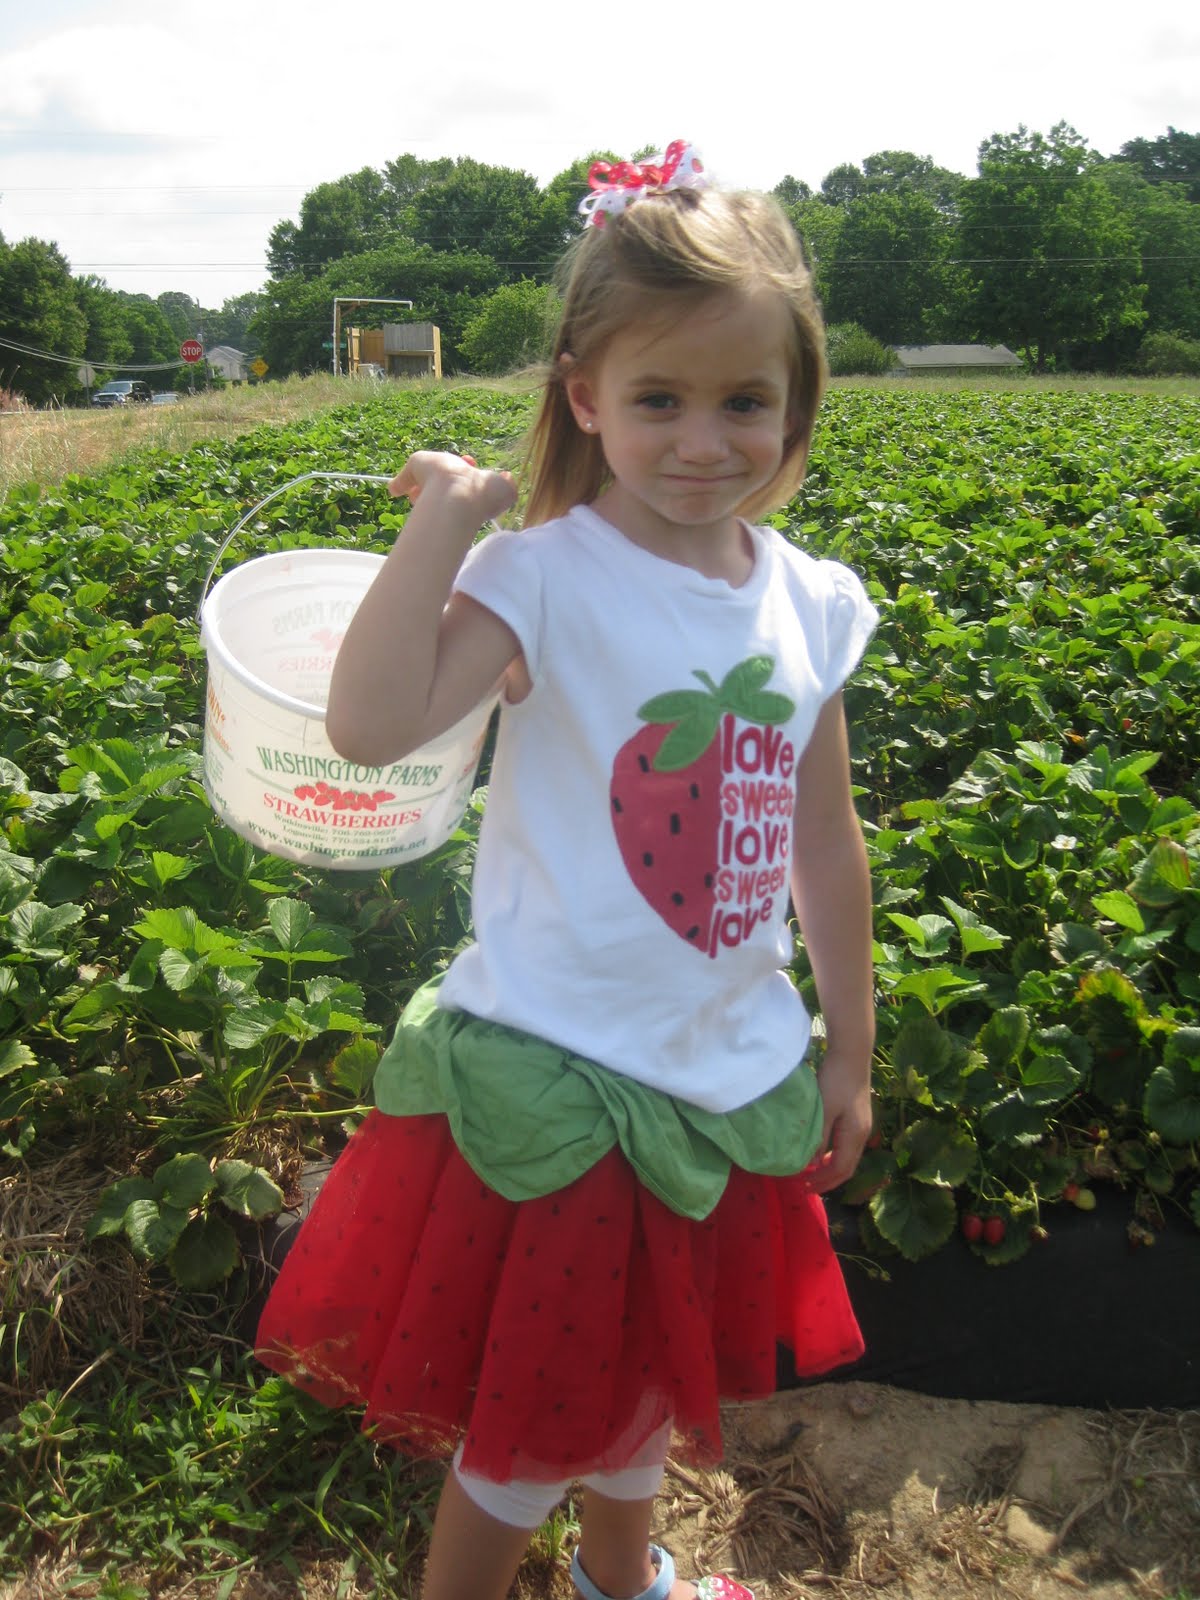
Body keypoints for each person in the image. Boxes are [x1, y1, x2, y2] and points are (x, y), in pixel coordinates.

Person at [256, 140, 878, 1600]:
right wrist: (444, 524)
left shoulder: (813, 601)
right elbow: (371, 722)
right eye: (658, 399)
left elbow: (819, 836)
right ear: (585, 400)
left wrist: (850, 1047)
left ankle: (624, 1581)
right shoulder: (541, 573)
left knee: (639, 1387)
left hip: (721, 1072)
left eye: (744, 401)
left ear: (798, 409)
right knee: (528, 1434)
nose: (704, 440)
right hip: (563, 1078)